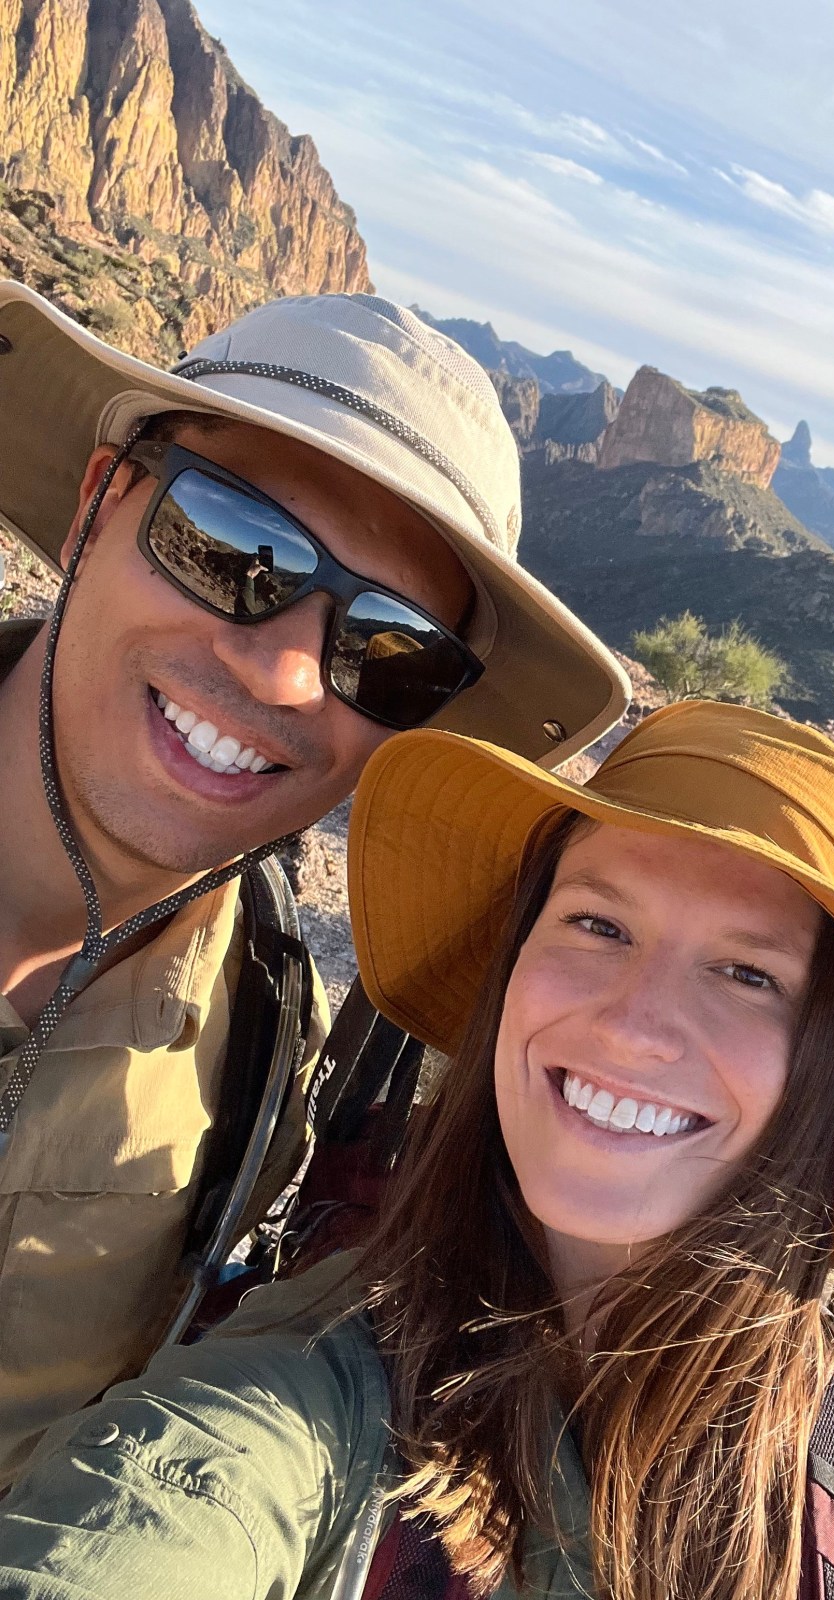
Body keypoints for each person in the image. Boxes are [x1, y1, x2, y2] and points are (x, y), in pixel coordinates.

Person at [0, 700, 834, 1599]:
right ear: (514, 965)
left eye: (748, 974)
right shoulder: (303, 1406)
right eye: (598, 924)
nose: (635, 1024)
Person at [0, 281, 628, 1485]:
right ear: (96, 506)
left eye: (385, 653)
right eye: (234, 546)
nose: (289, 672)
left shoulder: (264, 1057)